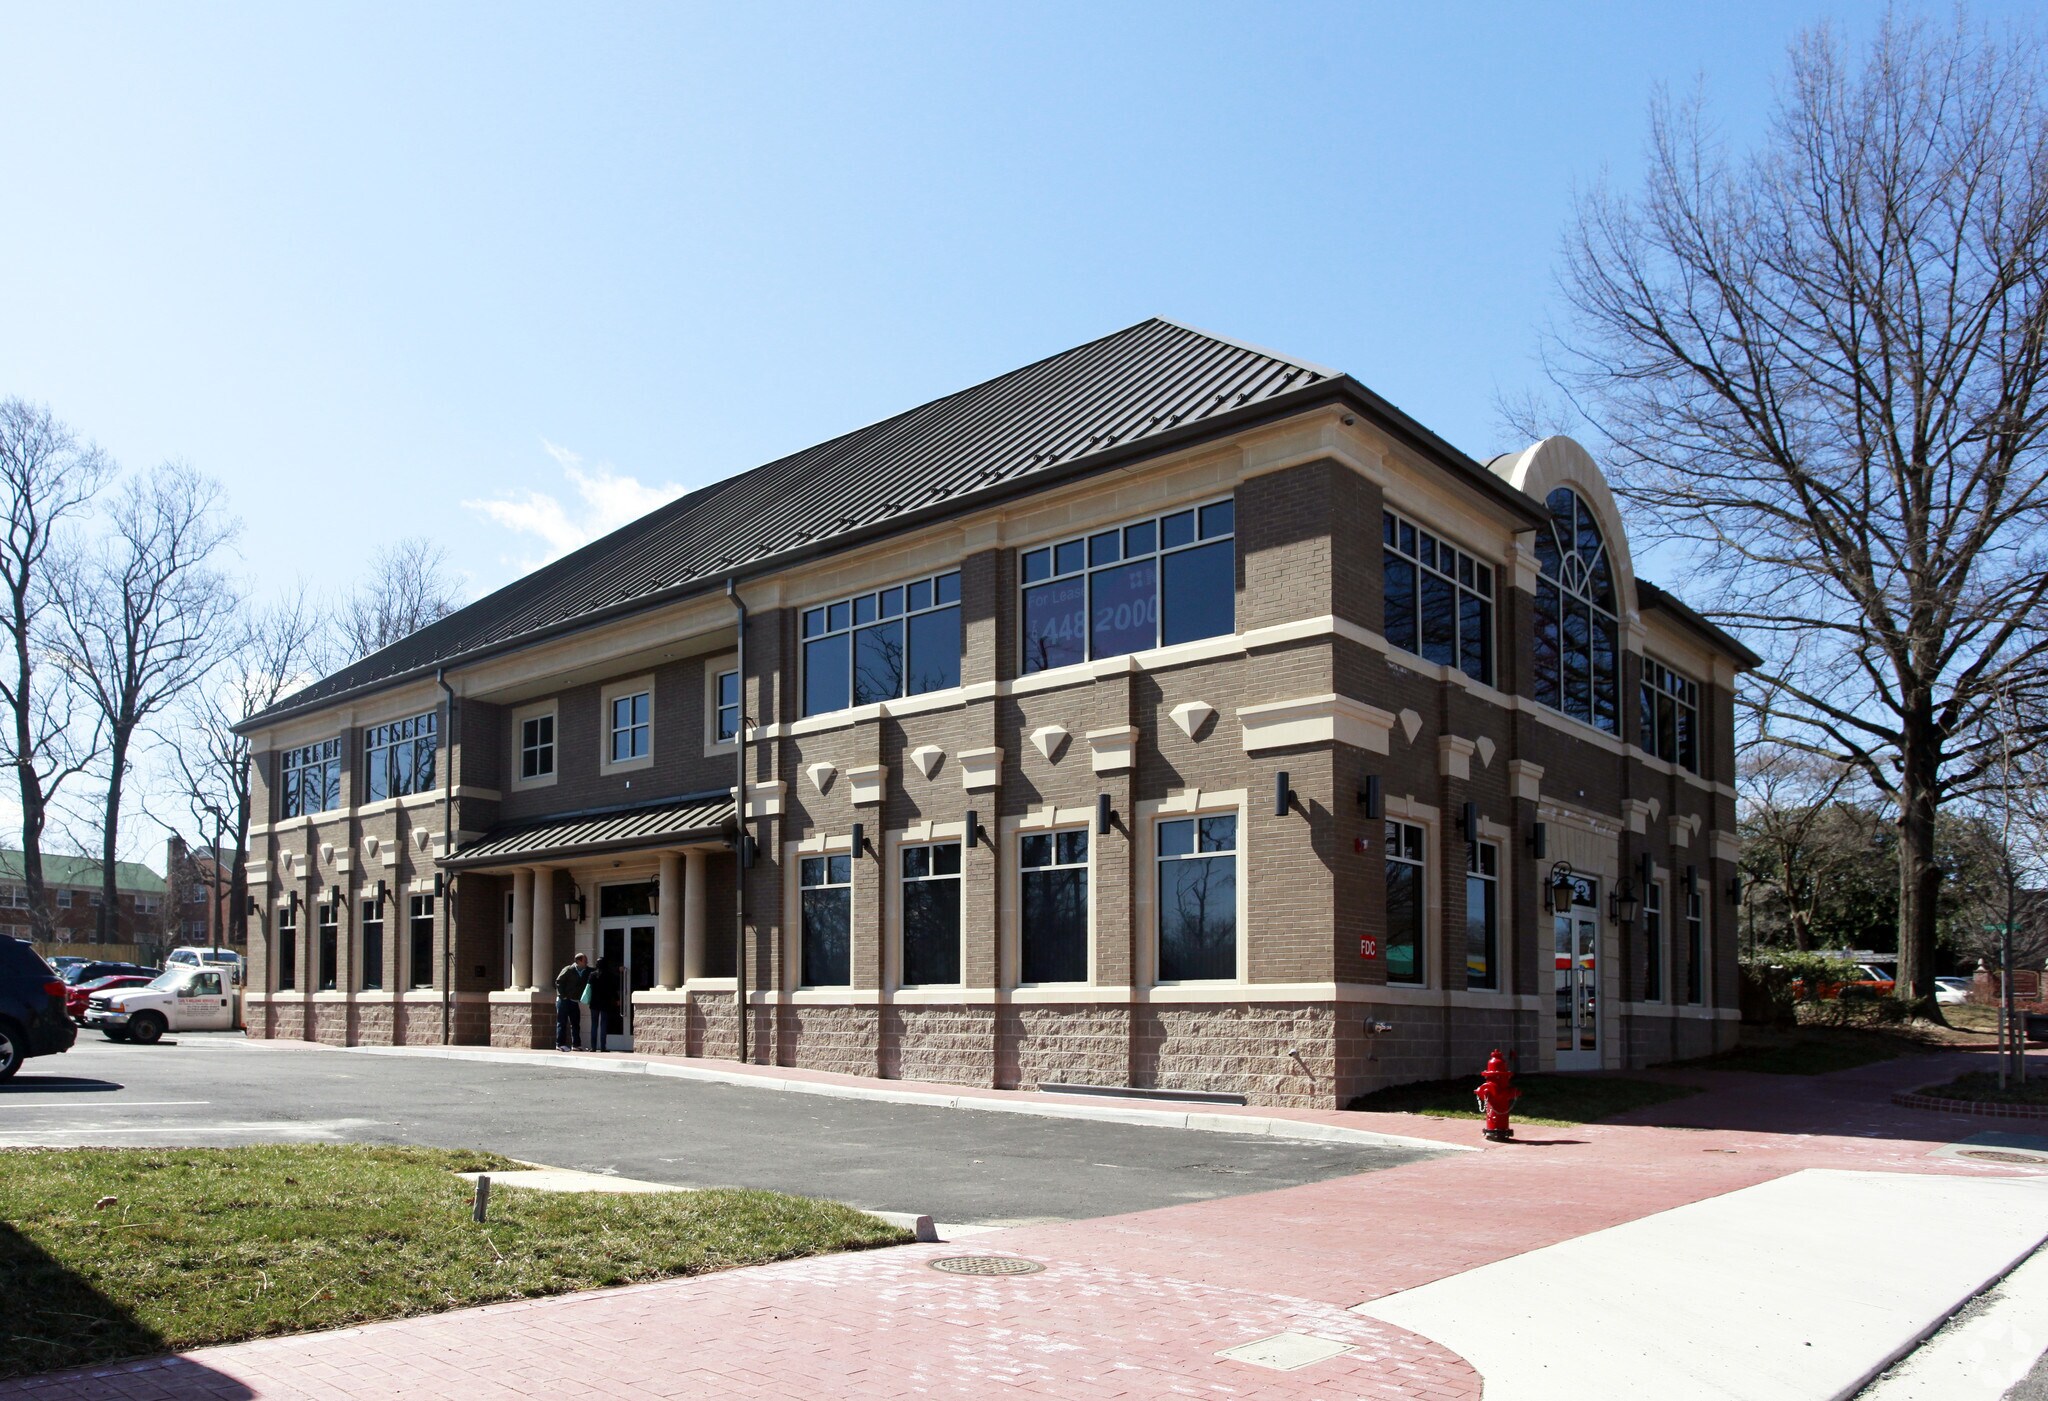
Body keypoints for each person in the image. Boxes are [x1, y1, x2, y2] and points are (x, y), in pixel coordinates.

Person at [553, 952, 589, 1052]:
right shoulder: (569, 969)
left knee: (575, 1023)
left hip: (574, 1000)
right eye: (585, 961)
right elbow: (558, 982)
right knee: (562, 1022)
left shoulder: (584, 971)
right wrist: (563, 996)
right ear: (578, 961)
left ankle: (576, 1044)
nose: (586, 963)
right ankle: (560, 1044)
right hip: (563, 1001)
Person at [588, 953, 622, 1052]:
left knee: (594, 1024)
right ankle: (603, 1047)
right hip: (605, 1002)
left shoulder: (592, 975)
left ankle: (593, 1047)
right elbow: (613, 989)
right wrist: (617, 999)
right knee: (603, 1024)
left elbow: (588, 987)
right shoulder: (609, 975)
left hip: (594, 1002)